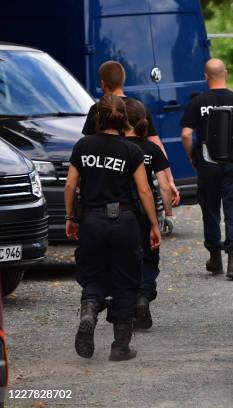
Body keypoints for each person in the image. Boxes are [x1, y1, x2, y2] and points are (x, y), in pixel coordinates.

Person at [65, 95, 161, 361]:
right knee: (126, 279)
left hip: (92, 221)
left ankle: (89, 311)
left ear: (98, 117)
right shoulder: (132, 150)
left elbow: (71, 186)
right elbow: (144, 190)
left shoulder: (82, 146)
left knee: (93, 273)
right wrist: (154, 224)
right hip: (125, 222)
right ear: (124, 120)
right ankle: (120, 345)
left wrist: (70, 218)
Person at [180, 58, 233, 281]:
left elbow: (186, 134)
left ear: (206, 76)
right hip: (232, 163)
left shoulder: (198, 102)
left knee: (210, 211)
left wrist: (192, 156)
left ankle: (215, 258)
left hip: (207, 164)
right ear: (226, 73)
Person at [82, 60, 180, 206]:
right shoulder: (139, 107)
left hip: (106, 188)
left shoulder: (97, 109)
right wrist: (169, 180)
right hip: (137, 189)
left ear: (102, 83)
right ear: (123, 81)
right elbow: (156, 143)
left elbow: (87, 148)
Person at [124, 98, 173, 330]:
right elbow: (164, 185)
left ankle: (128, 303)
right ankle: (144, 297)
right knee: (149, 258)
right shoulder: (152, 148)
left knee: (126, 259)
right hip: (146, 213)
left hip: (122, 213)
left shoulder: (119, 147)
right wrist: (168, 215)